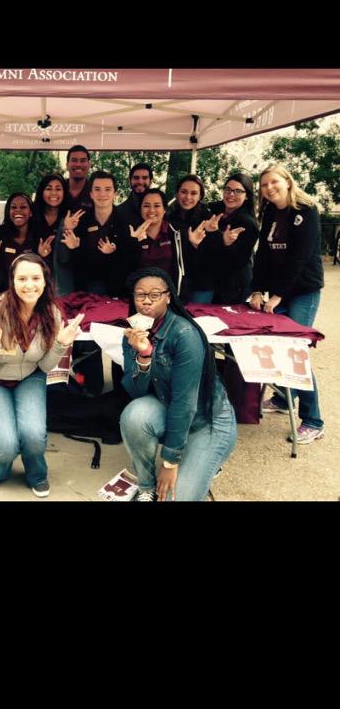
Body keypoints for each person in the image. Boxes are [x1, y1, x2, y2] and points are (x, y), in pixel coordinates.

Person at [119, 267, 237, 501]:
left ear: (168, 297)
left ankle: (204, 459)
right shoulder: (132, 335)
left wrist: (170, 461)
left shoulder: (184, 334)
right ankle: (145, 486)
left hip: (207, 421)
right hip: (168, 406)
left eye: (155, 295)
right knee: (134, 415)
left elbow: (185, 403)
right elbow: (135, 391)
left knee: (178, 498)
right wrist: (143, 355)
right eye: (140, 295)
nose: (146, 302)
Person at [0, 253, 84, 497]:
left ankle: (36, 474)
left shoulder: (52, 313)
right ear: (12, 281)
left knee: (33, 436)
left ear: (45, 281)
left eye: (35, 277)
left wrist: (60, 345)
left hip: (30, 377)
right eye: (22, 279)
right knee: (6, 445)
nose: (29, 285)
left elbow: (44, 366)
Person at [249, 163, 325, 443]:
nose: (269, 188)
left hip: (302, 291)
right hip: (280, 291)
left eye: (274, 182)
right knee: (273, 345)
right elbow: (264, 256)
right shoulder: (270, 212)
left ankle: (314, 420)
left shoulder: (307, 211)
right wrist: (257, 289)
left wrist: (278, 295)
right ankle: (284, 399)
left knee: (295, 353)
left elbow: (299, 259)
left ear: (288, 182)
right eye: (264, 185)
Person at [188, 172, 259, 304]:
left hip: (232, 287)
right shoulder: (213, 210)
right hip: (207, 281)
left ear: (247, 196)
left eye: (238, 191)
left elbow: (237, 262)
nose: (231, 194)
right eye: (228, 189)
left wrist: (219, 238)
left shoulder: (247, 223)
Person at [60, 170, 130, 297]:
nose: (102, 194)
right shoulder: (81, 220)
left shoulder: (125, 220)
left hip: (117, 289)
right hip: (86, 289)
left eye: (108, 189)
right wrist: (74, 247)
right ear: (91, 194)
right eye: (97, 189)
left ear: (115, 193)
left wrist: (112, 253)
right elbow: (74, 262)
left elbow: (131, 260)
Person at [126, 188, 189, 299]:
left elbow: (184, 268)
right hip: (139, 297)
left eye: (157, 205)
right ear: (140, 209)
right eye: (146, 205)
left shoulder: (176, 232)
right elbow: (125, 269)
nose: (151, 210)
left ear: (164, 209)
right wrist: (133, 243)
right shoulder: (131, 232)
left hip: (169, 297)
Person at [167, 174, 214, 302]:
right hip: (176, 283)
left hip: (201, 285)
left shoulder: (208, 219)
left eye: (193, 193)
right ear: (177, 194)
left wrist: (197, 245)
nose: (188, 197)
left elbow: (215, 256)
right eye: (183, 192)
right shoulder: (170, 217)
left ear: (200, 196)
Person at [32, 172, 80, 295]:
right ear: (42, 192)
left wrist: (71, 241)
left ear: (64, 192)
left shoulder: (72, 217)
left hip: (64, 287)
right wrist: (39, 254)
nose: (53, 193)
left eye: (58, 189)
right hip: (36, 283)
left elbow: (72, 259)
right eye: (49, 188)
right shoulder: (33, 216)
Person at [0, 192, 37, 290]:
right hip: (4, 293)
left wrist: (43, 256)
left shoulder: (38, 237)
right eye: (13, 207)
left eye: (23, 207)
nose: (18, 210)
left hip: (31, 291)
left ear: (31, 212)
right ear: (8, 212)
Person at [65, 145, 93, 212]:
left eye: (83, 161)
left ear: (89, 165)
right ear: (67, 165)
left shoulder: (95, 191)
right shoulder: (58, 189)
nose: (78, 165)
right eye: (74, 160)